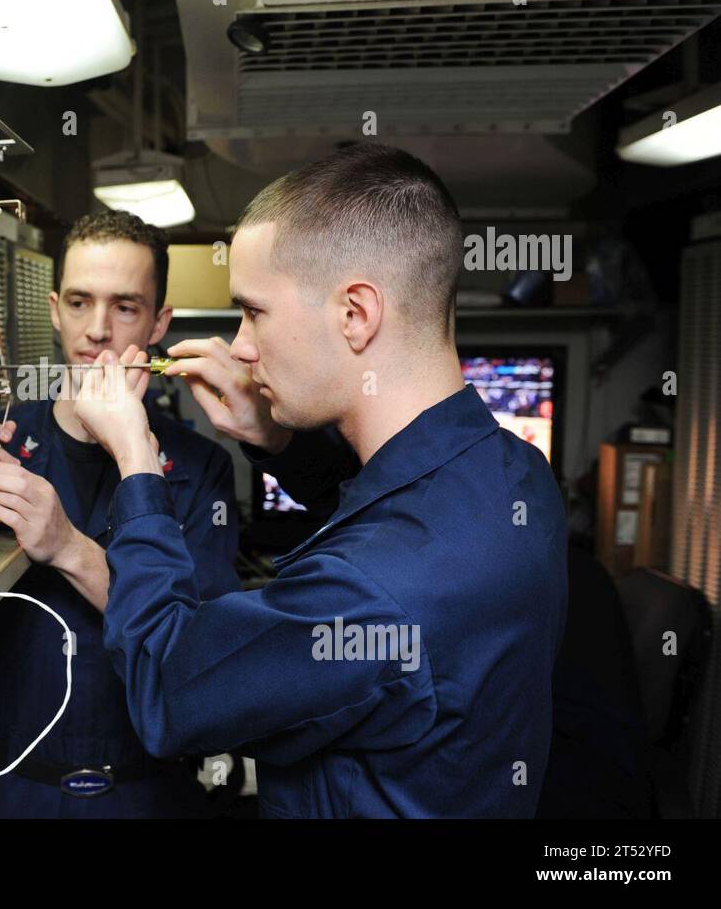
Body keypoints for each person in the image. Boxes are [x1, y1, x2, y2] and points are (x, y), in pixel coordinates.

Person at [71, 144, 569, 818]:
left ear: (355, 314)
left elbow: (168, 689)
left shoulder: (371, 593)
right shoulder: (517, 475)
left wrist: (136, 459)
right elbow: (390, 506)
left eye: (255, 311)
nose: (241, 345)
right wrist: (275, 438)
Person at [0, 210, 239, 818]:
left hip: (147, 790)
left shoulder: (199, 469)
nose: (97, 330)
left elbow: (199, 651)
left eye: (126, 307)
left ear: (160, 322)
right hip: (9, 785)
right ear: (55, 309)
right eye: (81, 303)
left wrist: (67, 545)